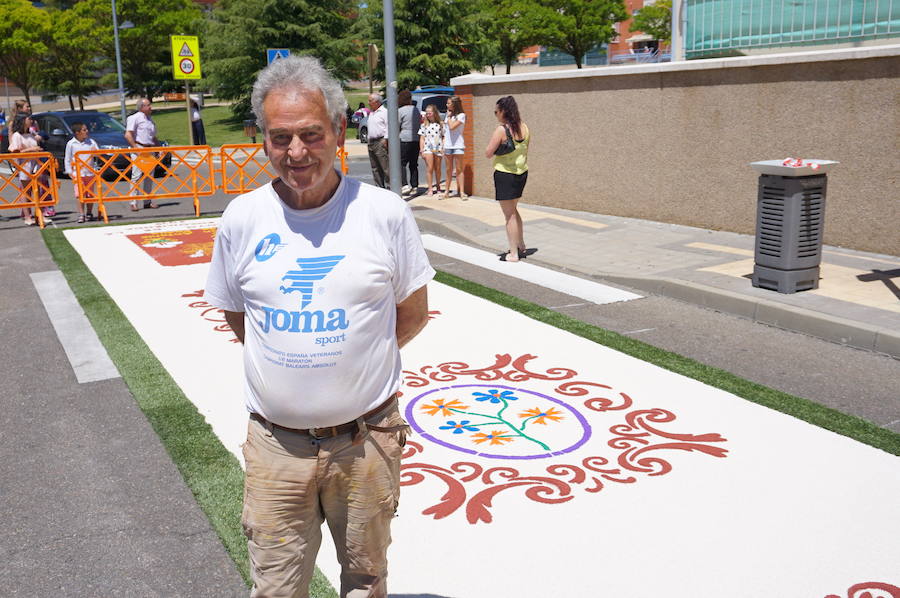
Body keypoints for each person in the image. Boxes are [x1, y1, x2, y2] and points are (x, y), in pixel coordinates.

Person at [204, 55, 434, 598]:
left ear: (338, 131)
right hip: (275, 447)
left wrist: (351, 362)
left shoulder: (383, 213)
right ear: (261, 137)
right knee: (277, 587)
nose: (296, 152)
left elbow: (413, 312)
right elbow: (241, 317)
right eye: (279, 137)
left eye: (311, 134)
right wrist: (299, 361)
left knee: (366, 578)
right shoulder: (242, 218)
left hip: (365, 443)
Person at [484, 95, 530, 262]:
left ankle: (513, 253)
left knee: (509, 215)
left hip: (505, 174)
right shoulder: (525, 128)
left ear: (503, 111)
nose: (495, 114)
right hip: (521, 173)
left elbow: (488, 153)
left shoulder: (501, 130)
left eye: (496, 111)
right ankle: (521, 244)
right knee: (514, 210)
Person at [8, 114, 50, 226]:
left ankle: (39, 213)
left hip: (35, 164)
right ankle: (27, 216)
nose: (31, 121)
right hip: (24, 165)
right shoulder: (17, 135)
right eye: (28, 119)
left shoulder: (31, 133)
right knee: (26, 191)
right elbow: (15, 151)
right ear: (22, 121)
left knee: (38, 190)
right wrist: (31, 149)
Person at [124, 98, 159, 211]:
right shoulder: (134, 118)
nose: (150, 107)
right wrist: (135, 148)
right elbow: (128, 135)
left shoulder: (150, 120)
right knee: (136, 176)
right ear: (142, 107)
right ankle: (133, 202)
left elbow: (153, 137)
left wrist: (158, 147)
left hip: (150, 149)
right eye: (148, 105)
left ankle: (147, 201)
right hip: (139, 148)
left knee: (149, 176)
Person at [64, 122, 99, 223]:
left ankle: (89, 212)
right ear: (77, 132)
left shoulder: (91, 141)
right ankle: (81, 214)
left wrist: (95, 152)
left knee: (90, 194)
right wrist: (70, 171)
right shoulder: (71, 144)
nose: (87, 131)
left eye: (86, 129)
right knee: (80, 194)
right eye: (84, 130)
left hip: (90, 172)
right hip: (78, 173)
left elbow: (98, 154)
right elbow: (67, 159)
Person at [442, 96, 468, 200]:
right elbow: (445, 131)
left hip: (458, 145)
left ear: (454, 104)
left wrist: (448, 118)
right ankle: (446, 192)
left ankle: (461, 192)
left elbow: (452, 127)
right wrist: (443, 144)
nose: (447, 105)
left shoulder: (461, 115)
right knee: (448, 169)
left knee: (459, 169)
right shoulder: (447, 116)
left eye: (449, 103)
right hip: (448, 145)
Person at [397, 90, 420, 195]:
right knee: (413, 164)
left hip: (404, 139)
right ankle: (415, 186)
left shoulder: (400, 111)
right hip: (416, 139)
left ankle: (405, 185)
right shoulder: (416, 110)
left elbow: (397, 125)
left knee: (401, 163)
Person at [418, 104, 443, 198]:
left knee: (438, 168)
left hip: (438, 147)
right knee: (430, 168)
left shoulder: (440, 124)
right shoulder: (424, 125)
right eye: (427, 113)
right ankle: (430, 188)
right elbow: (422, 138)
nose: (428, 114)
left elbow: (443, 136)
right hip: (428, 148)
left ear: (434, 113)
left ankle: (438, 186)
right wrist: (422, 150)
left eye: (430, 113)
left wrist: (443, 147)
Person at [366, 93, 390, 188]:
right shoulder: (371, 112)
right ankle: (379, 188)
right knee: (375, 168)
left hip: (380, 141)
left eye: (370, 101)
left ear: (377, 102)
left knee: (385, 167)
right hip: (371, 142)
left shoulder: (384, 112)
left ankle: (390, 188)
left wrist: (386, 139)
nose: (368, 103)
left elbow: (389, 126)